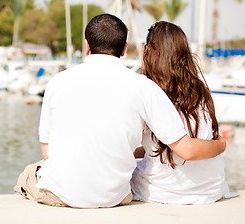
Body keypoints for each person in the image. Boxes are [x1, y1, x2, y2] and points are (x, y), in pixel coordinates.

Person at [14, 14, 226, 208]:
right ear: (124, 49)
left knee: (29, 173)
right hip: (115, 197)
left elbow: (47, 151)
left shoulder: (57, 82)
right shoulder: (145, 87)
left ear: (86, 46)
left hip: (64, 194)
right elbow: (178, 146)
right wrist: (221, 143)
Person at [130, 21, 235, 204]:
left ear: (149, 52)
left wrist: (222, 145)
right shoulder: (199, 89)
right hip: (210, 188)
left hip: (170, 191)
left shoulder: (151, 91)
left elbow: (186, 150)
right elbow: (160, 146)